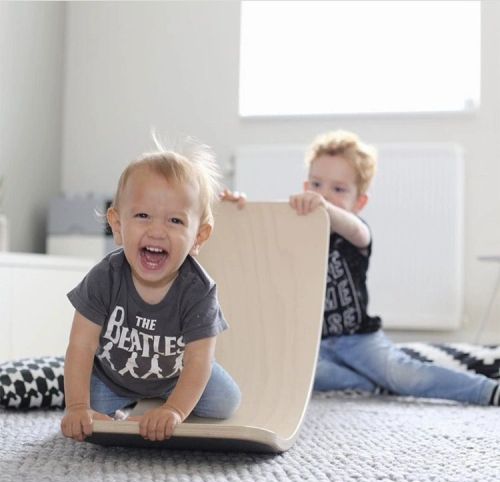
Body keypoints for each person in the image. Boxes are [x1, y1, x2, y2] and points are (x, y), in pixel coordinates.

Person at [222, 130, 500, 407]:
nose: (324, 195)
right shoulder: (295, 230)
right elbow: (258, 234)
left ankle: (485, 390)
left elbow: (356, 230)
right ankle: (369, 385)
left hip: (358, 338)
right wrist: (237, 211)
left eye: (338, 189)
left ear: (359, 203)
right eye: (316, 185)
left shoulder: (354, 233)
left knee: (403, 375)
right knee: (294, 374)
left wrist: (326, 209)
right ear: (306, 187)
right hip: (313, 343)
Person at [61, 141, 241, 443]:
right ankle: (122, 402)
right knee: (86, 410)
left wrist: (174, 410)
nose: (157, 231)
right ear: (118, 224)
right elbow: (80, 346)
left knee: (227, 401)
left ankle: (161, 402)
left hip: (174, 377)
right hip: (113, 378)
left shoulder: (199, 290)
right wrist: (77, 406)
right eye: (143, 215)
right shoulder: (104, 278)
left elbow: (198, 360)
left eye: (175, 220)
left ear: (199, 236)